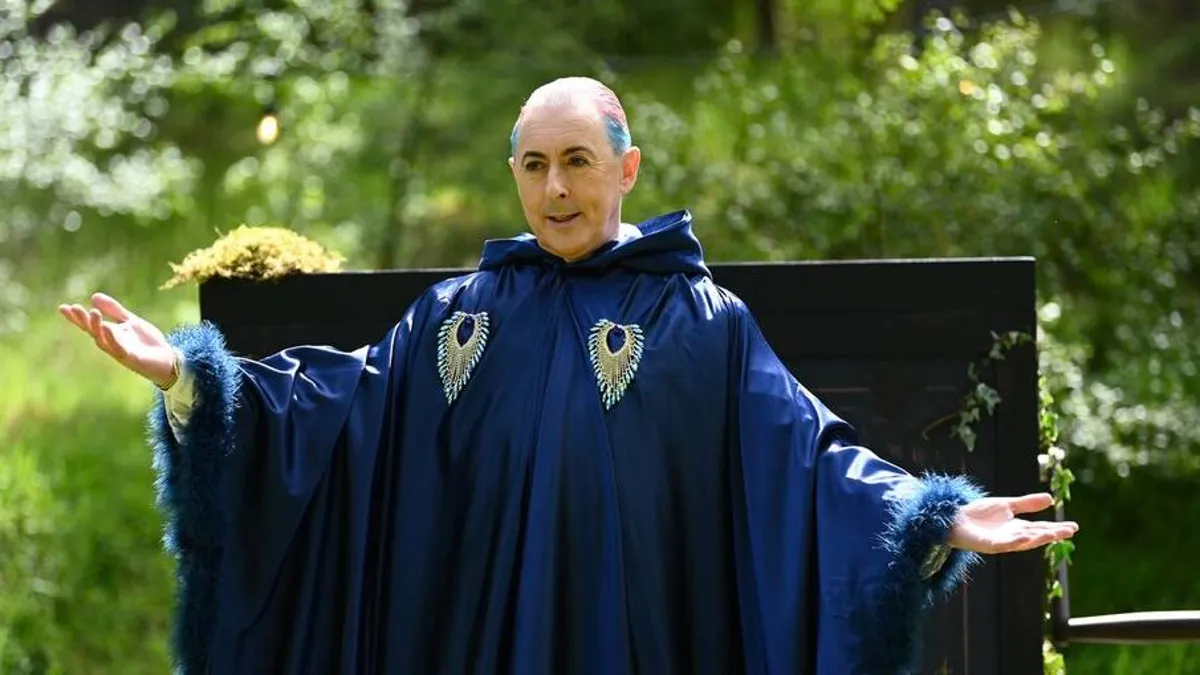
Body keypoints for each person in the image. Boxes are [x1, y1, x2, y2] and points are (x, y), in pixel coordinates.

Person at [60, 77, 1077, 674]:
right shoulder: (454, 315)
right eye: (535, 164)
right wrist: (190, 377)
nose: (555, 187)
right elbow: (333, 410)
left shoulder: (702, 322)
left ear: (626, 169)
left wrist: (933, 514)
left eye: (579, 161)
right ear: (514, 172)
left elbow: (806, 458)